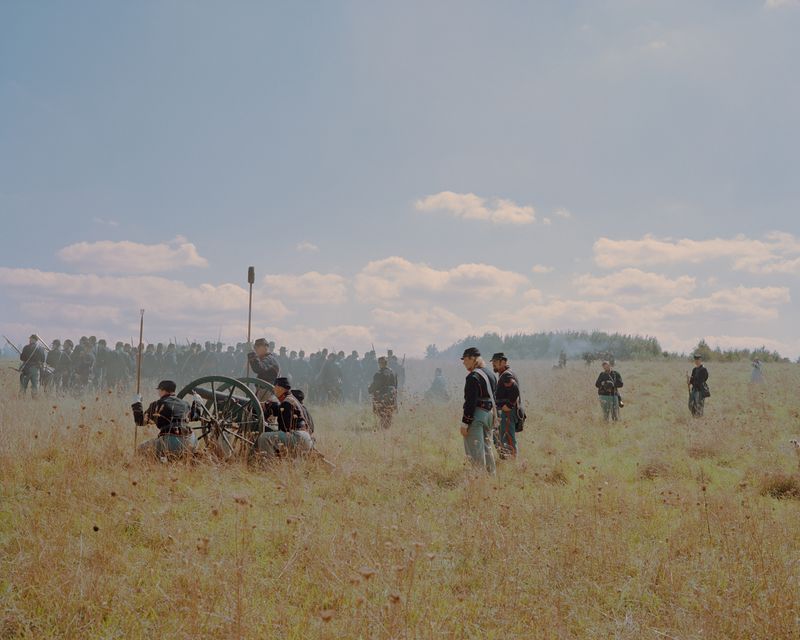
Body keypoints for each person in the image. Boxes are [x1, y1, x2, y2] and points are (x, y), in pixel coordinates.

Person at [132, 380, 197, 459]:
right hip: (190, 441)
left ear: (162, 390)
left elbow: (140, 421)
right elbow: (195, 417)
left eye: (159, 390)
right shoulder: (185, 403)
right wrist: (197, 402)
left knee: (141, 449)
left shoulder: (157, 404)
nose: (158, 392)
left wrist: (137, 403)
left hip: (170, 442)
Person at [256, 377, 313, 459]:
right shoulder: (291, 399)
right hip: (306, 437)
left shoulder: (287, 402)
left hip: (297, 437)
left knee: (264, 437)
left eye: (275, 386)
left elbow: (285, 428)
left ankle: (267, 466)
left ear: (280, 388)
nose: (274, 389)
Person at [460, 347, 497, 474]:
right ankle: (491, 477)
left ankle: (478, 480)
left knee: (475, 451)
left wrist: (465, 422)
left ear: (472, 358)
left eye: (464, 359)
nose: (463, 362)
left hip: (477, 415)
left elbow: (470, 402)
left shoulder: (473, 376)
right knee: (487, 449)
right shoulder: (491, 374)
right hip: (489, 415)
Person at [491, 352, 521, 458]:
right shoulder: (505, 374)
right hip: (506, 412)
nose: (493, 364)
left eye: (495, 361)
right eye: (493, 362)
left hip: (508, 412)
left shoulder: (506, 375)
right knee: (500, 436)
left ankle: (512, 463)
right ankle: (506, 458)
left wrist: (508, 406)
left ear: (503, 362)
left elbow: (514, 389)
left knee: (508, 438)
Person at [368, 356, 398, 429]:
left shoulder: (379, 374)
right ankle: (387, 429)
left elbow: (375, 386)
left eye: (380, 363)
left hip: (382, 397)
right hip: (391, 396)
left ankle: (384, 429)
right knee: (389, 414)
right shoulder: (393, 372)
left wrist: (370, 389)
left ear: (380, 364)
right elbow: (396, 385)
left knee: (382, 415)